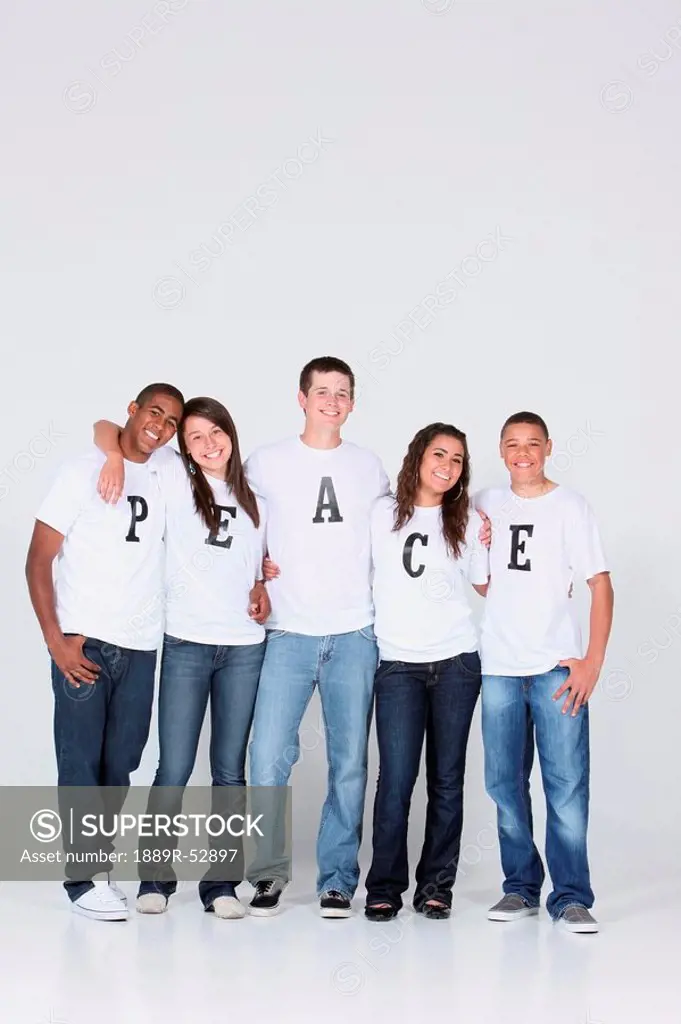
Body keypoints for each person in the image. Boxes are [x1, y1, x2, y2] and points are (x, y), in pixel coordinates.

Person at [93, 397, 270, 920]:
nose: (208, 443)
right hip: (187, 644)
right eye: (194, 436)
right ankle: (156, 879)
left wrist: (261, 581)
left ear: (231, 434)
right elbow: (107, 426)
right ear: (185, 448)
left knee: (229, 771)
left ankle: (219, 886)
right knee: (173, 766)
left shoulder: (257, 495)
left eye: (215, 432)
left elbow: (258, 562)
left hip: (243, 647)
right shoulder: (173, 478)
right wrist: (110, 457)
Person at [25, 383, 185, 921]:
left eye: (171, 421)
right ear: (133, 409)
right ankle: (81, 880)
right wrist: (55, 639)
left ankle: (97, 864)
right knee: (79, 762)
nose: (160, 426)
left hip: (141, 646)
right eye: (153, 412)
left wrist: (118, 449)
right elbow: (38, 559)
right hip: (84, 641)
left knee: (121, 762)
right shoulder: (80, 470)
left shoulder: (166, 472)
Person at [245, 356, 390, 917]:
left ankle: (336, 878)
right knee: (267, 757)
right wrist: (258, 572)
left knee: (349, 760)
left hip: (354, 630)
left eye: (343, 393)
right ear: (301, 397)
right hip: (289, 631)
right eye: (322, 391)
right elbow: (238, 524)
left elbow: (403, 521)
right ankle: (267, 874)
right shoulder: (267, 462)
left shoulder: (367, 466)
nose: (333, 401)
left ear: (352, 403)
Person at [475, 411, 613, 934]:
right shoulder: (487, 502)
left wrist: (592, 662)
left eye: (532, 443)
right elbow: (487, 583)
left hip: (557, 669)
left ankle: (572, 896)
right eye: (513, 444)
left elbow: (600, 583)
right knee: (504, 784)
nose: (523, 452)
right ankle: (520, 889)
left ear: (548, 447)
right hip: (500, 669)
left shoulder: (571, 507)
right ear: (502, 449)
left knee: (566, 784)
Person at [364, 423, 489, 922]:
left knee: (447, 780)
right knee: (394, 779)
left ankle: (436, 886)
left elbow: (486, 585)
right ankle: (385, 886)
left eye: (458, 460)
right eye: (440, 454)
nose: (448, 465)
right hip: (398, 664)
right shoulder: (379, 514)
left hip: (457, 662)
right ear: (417, 456)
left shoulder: (468, 519)